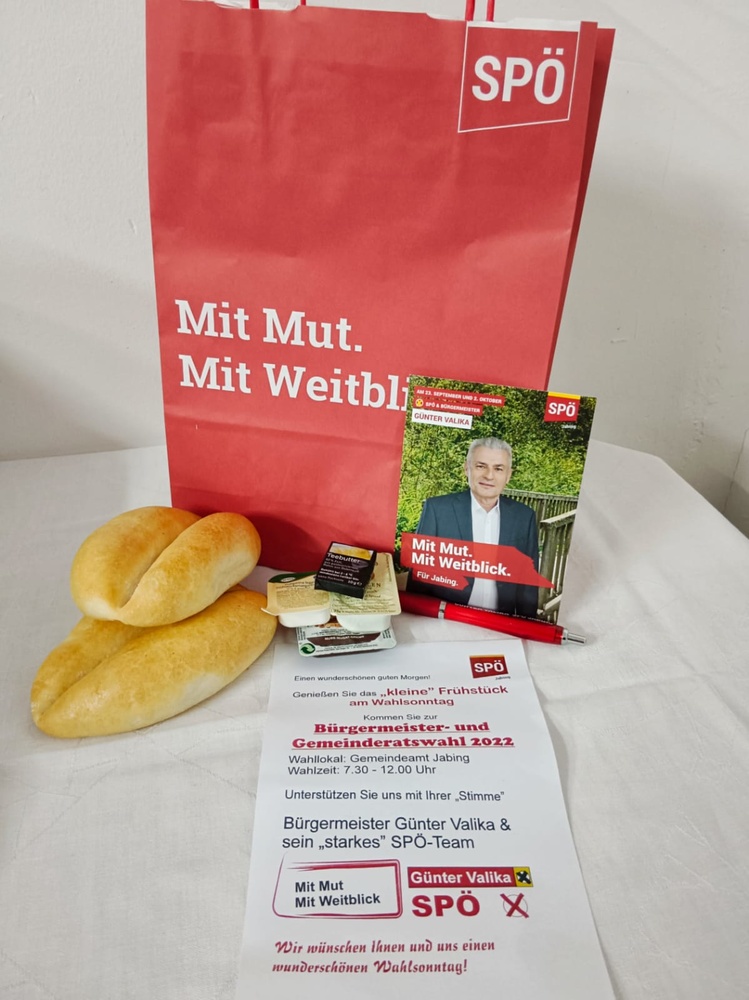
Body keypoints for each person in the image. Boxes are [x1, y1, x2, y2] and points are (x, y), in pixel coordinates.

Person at [408, 437, 539, 618]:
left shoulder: (524, 517)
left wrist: (526, 627)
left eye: (498, 469)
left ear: (508, 475)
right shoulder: (437, 510)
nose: (489, 476)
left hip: (500, 624)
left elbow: (528, 586)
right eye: (481, 466)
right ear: (466, 468)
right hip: (446, 620)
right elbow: (419, 580)